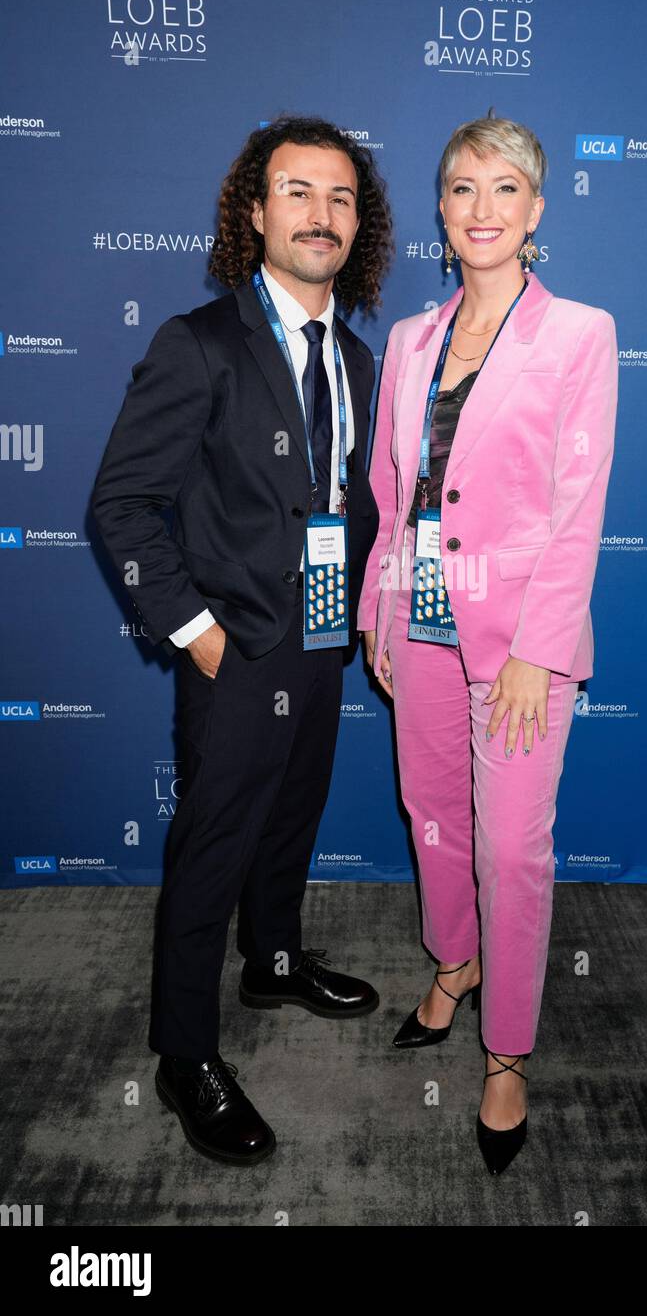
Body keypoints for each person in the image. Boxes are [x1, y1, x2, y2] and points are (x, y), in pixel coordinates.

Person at [90, 114, 394, 1165]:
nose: (321, 214)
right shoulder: (200, 343)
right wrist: (199, 635)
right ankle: (185, 1055)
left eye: (341, 196)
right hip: (234, 650)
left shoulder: (355, 357)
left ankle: (271, 958)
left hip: (320, 636)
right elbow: (122, 506)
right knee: (211, 845)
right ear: (255, 214)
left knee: (292, 815)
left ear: (361, 224)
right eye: (298, 192)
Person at [359, 114, 618, 1174]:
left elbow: (577, 503)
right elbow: (390, 494)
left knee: (511, 847)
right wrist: (380, 606)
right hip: (417, 623)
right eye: (461, 188)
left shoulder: (579, 334)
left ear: (536, 210)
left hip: (518, 639)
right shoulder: (411, 341)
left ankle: (505, 1050)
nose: (480, 208)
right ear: (440, 207)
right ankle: (452, 962)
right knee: (432, 813)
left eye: (503, 189)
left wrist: (534, 648)